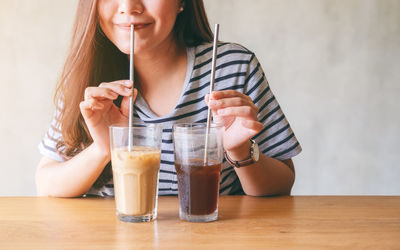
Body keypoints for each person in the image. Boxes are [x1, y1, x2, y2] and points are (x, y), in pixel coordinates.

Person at [36, 0, 302, 198]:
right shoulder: (90, 78)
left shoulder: (230, 67)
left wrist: (239, 152)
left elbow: (282, 183)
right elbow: (47, 184)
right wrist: (103, 149)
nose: (129, 6)